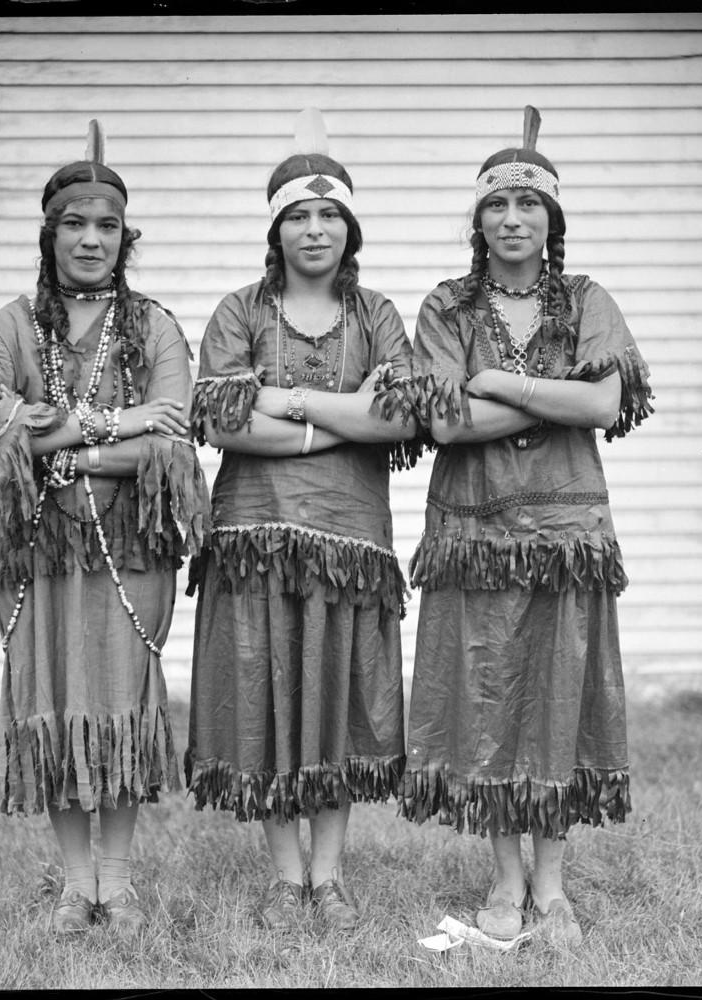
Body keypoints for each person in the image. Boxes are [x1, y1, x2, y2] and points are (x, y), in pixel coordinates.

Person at [401, 107, 653, 948]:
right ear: (477, 220)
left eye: (529, 206)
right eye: (497, 206)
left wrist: (500, 384)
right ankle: (505, 880)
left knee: (554, 701)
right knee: (485, 702)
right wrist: (550, 397)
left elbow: (606, 402)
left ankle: (553, 885)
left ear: (552, 221)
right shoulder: (447, 305)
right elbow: (442, 425)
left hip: (566, 534)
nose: (513, 219)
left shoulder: (586, 300)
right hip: (471, 532)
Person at [0, 121, 208, 937]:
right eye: (75, 223)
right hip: (36, 546)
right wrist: (105, 430)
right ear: (50, 233)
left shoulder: (155, 327)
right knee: (53, 701)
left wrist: (67, 439)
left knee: (117, 702)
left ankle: (120, 884)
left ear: (124, 236)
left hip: (129, 544)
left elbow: (172, 428)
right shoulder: (10, 325)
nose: (92, 239)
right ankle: (75, 888)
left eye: (107, 226)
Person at [184, 109, 419, 933]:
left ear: (349, 230)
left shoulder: (380, 316)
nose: (314, 230)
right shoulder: (238, 312)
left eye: (329, 216)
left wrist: (290, 404)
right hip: (254, 539)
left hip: (351, 543)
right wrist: (339, 418)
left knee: (336, 704)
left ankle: (331, 876)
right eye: (298, 216)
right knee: (268, 699)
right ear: (276, 229)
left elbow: (399, 419)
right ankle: (286, 878)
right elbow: (220, 421)